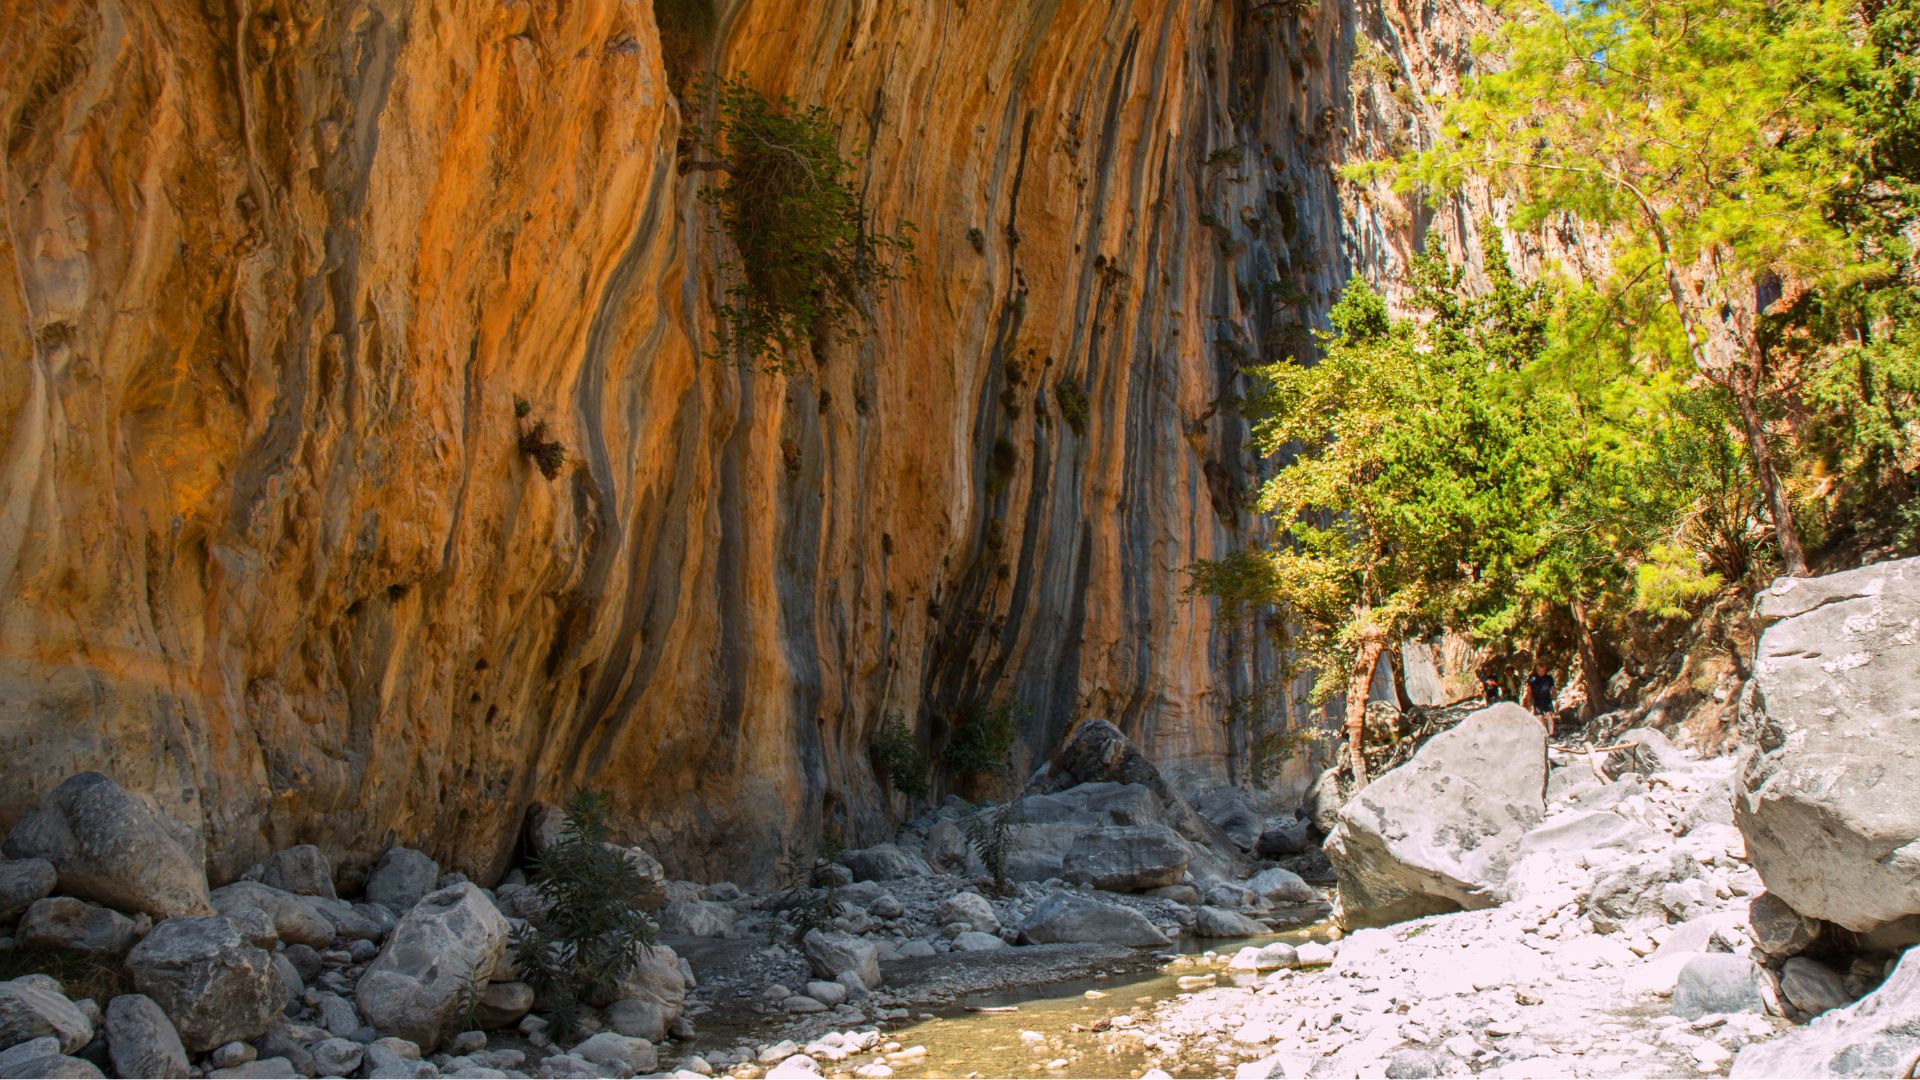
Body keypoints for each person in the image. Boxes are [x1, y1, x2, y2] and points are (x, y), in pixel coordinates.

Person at [1527, 663, 1557, 731]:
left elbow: (1553, 689)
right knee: (1540, 717)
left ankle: (1551, 733)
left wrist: (1555, 699)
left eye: (1543, 670)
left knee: (1549, 716)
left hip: (1547, 699)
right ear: (1537, 670)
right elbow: (1529, 690)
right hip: (1537, 700)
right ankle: (1545, 733)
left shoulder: (1549, 678)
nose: (1542, 672)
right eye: (1540, 671)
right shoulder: (1532, 678)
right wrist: (1529, 701)